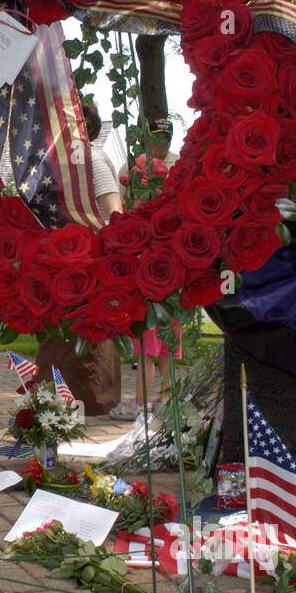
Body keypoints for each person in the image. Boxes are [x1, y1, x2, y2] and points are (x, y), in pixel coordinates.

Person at [36, 99, 121, 416]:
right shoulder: (56, 163)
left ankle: (84, 403)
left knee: (84, 338)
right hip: (62, 264)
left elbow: (114, 212)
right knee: (63, 336)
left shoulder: (92, 159)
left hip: (87, 266)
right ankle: (57, 401)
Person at [112, 116, 180, 421]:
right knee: (148, 331)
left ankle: (163, 400)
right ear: (146, 137)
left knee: (169, 335)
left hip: (173, 255)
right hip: (144, 254)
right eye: (156, 138)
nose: (161, 145)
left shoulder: (180, 166)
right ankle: (144, 400)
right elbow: (122, 210)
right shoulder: (132, 168)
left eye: (165, 139)